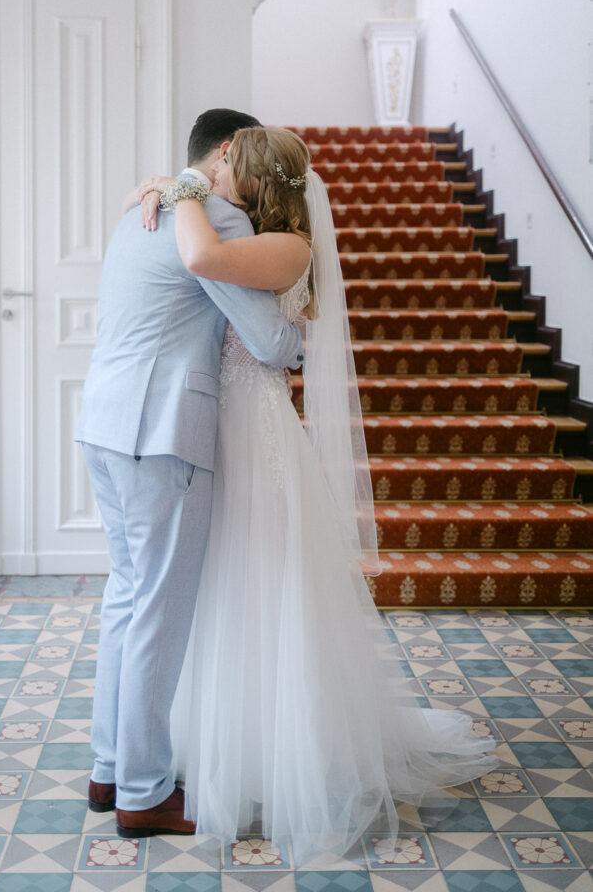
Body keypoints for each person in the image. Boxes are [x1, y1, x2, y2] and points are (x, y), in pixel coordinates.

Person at [134, 126, 498, 864]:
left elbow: (252, 323)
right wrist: (171, 194)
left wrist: (179, 187)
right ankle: (210, 738)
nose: (217, 169)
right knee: (217, 582)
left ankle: (277, 752)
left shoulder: (287, 247)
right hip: (218, 422)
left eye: (226, 163)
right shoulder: (253, 235)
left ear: (252, 175)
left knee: (262, 580)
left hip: (253, 427)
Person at [74, 110, 305, 840]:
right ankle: (144, 793)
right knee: (157, 614)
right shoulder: (217, 218)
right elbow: (271, 343)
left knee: (127, 598)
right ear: (231, 151)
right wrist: (298, 326)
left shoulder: (144, 210)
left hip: (104, 421)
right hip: (160, 432)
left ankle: (110, 768)